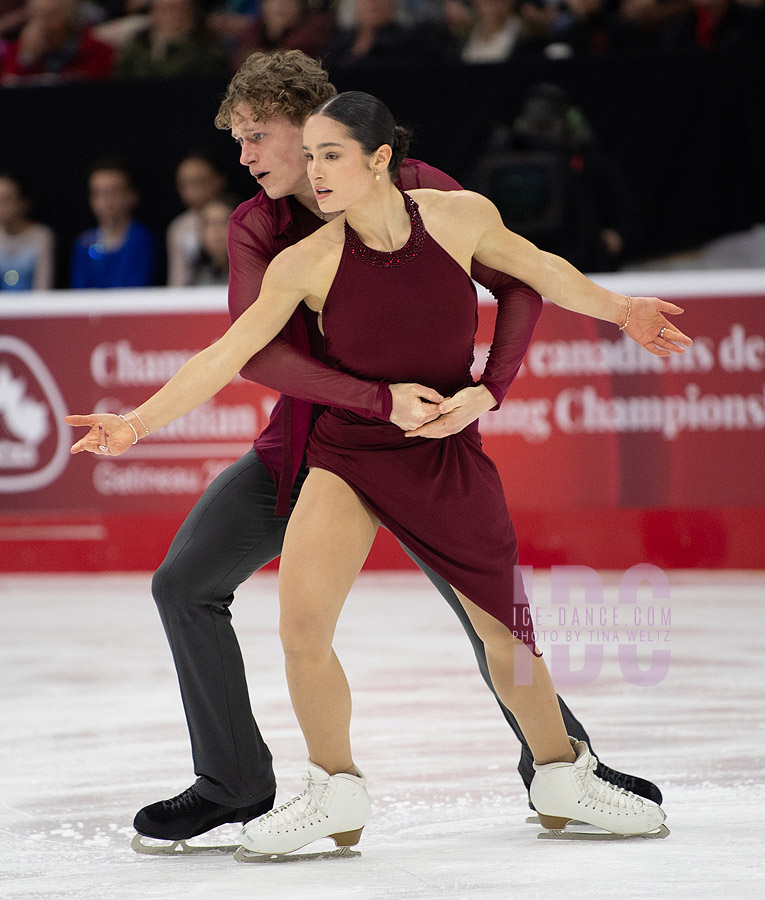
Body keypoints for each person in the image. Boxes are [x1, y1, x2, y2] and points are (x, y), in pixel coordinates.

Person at [66, 88, 689, 849]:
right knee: (302, 628)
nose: (315, 172)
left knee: (508, 636)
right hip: (349, 453)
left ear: (380, 159)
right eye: (313, 156)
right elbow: (227, 354)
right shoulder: (305, 261)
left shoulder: (458, 217)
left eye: (331, 156)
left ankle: (563, 772)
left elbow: (540, 271)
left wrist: (620, 313)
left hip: (443, 454)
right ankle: (335, 789)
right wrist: (134, 424)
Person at [70, 158, 158, 289]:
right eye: (98, 193)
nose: (106, 201)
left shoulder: (141, 238)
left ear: (132, 196)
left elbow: (137, 287)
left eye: (114, 192)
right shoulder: (84, 242)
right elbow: (79, 290)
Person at [0, 0, 114, 85]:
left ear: (70, 19)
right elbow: (9, 92)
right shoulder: (17, 51)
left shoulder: (97, 51)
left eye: (50, 16)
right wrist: (27, 59)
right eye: (37, 16)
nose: (42, 25)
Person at [114, 0, 227, 78]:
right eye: (165, 9)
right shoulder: (137, 46)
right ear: (153, 13)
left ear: (191, 13)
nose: (172, 15)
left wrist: (174, 45)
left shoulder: (208, 47)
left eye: (178, 9)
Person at [166, 151, 228, 287]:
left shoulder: (238, 216)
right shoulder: (179, 227)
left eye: (199, 181)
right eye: (185, 183)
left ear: (218, 180)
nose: (192, 189)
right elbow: (177, 281)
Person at [0, 172, 55, 291]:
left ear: (23, 203)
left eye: (7, 199)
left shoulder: (42, 235)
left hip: (33, 307)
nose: (1, 206)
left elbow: (43, 288)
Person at [189, 194, 240, 284]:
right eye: (209, 223)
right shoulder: (195, 274)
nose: (216, 231)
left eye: (223, 222)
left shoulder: (255, 272)